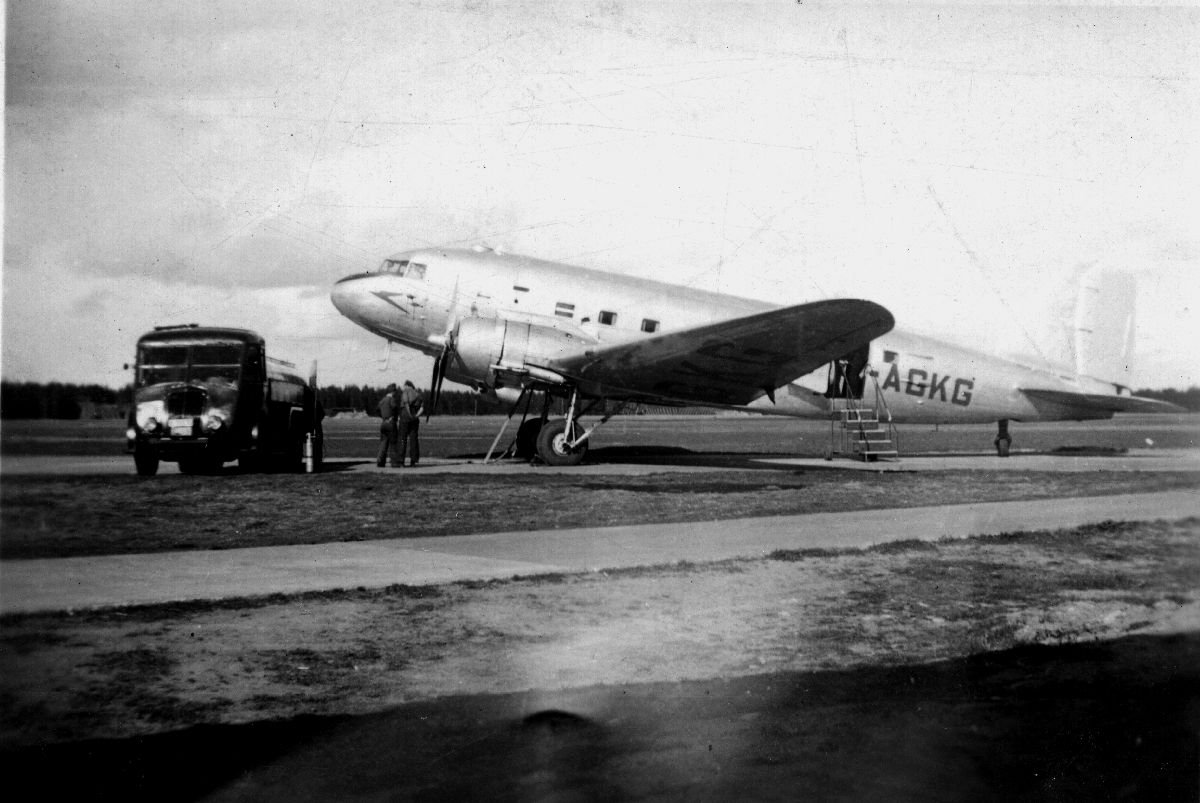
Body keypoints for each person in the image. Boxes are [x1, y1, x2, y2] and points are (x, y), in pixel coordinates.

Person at [397, 379, 424, 467]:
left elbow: (406, 403)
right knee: (414, 440)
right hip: (415, 418)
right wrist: (416, 416)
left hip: (405, 417)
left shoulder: (406, 391)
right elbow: (422, 408)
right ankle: (413, 461)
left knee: (402, 439)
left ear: (407, 385)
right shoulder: (418, 394)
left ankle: (401, 461)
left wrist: (409, 414)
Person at [376, 384, 401, 468]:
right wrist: (394, 417)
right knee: (393, 443)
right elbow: (394, 408)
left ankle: (380, 461)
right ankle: (394, 462)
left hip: (383, 423)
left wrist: (383, 417)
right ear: (393, 391)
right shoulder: (391, 399)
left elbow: (377, 410)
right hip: (390, 423)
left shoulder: (382, 400)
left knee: (383, 443)